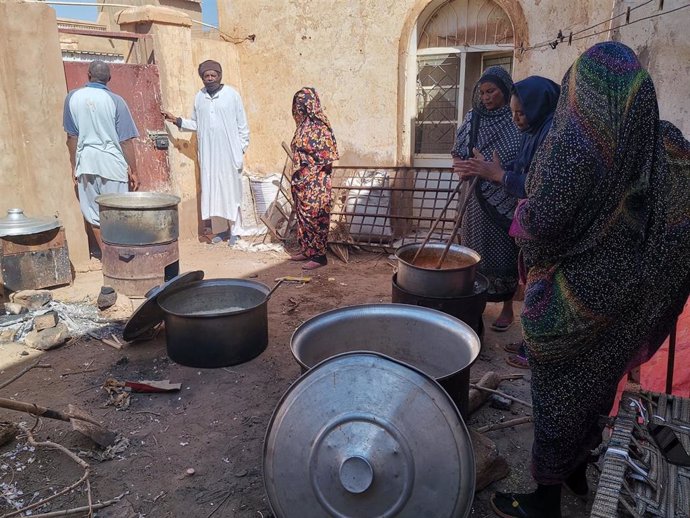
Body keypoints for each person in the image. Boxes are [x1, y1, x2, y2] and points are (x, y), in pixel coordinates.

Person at [490, 42, 690, 518]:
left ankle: (545, 501)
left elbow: (543, 220)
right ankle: (579, 469)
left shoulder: (577, 146)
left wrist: (521, 218)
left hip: (574, 298)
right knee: (598, 382)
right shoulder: (661, 147)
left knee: (557, 395)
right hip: (630, 296)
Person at [455, 75, 560, 368]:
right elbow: (519, 168)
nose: (517, 119)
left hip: (541, 224)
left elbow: (537, 184)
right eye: (514, 113)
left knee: (540, 287)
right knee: (530, 280)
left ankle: (534, 351)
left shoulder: (551, 139)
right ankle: (529, 343)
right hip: (524, 218)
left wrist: (498, 175)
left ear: (539, 107)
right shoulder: (532, 132)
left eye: (521, 112)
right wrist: (479, 168)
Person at [451, 66, 521, 331]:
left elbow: (522, 159)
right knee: (473, 252)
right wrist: (462, 167)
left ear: (504, 90)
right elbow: (458, 152)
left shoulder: (516, 118)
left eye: (491, 91)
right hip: (473, 197)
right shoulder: (473, 118)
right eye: (482, 92)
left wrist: (495, 171)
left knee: (505, 252)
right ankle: (475, 306)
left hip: (504, 195)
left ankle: (506, 308)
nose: (486, 97)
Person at [163, 60, 250, 245]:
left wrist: (239, 149)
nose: (210, 78)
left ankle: (236, 231)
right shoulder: (199, 97)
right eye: (206, 76)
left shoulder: (231, 95)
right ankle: (223, 231)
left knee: (231, 192)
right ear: (202, 77)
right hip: (209, 156)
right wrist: (177, 121)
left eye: (213, 75)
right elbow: (197, 124)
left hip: (229, 155)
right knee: (214, 192)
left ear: (220, 75)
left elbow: (243, 126)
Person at [63, 60, 139, 255]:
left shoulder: (72, 98)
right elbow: (125, 141)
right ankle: (121, 255)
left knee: (93, 214)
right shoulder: (116, 101)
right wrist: (134, 170)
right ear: (109, 78)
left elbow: (72, 137)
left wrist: (74, 165)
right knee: (118, 213)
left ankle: (107, 256)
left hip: (86, 163)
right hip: (112, 164)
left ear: (88, 75)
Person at [287, 87, 339, 270]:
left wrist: (309, 177)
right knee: (303, 218)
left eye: (302, 103)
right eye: (297, 103)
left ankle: (319, 256)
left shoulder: (320, 126)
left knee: (315, 218)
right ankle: (307, 250)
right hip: (302, 183)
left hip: (316, 184)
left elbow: (327, 158)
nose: (299, 107)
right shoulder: (302, 126)